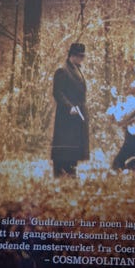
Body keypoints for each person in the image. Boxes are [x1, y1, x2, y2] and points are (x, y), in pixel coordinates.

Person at [51, 43, 89, 177]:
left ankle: (71, 172)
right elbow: (58, 92)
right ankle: (60, 174)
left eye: (83, 56)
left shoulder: (78, 70)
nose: (82, 59)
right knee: (64, 146)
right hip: (66, 116)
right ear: (72, 56)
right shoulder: (62, 70)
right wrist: (69, 107)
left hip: (78, 114)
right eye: (80, 56)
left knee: (75, 147)